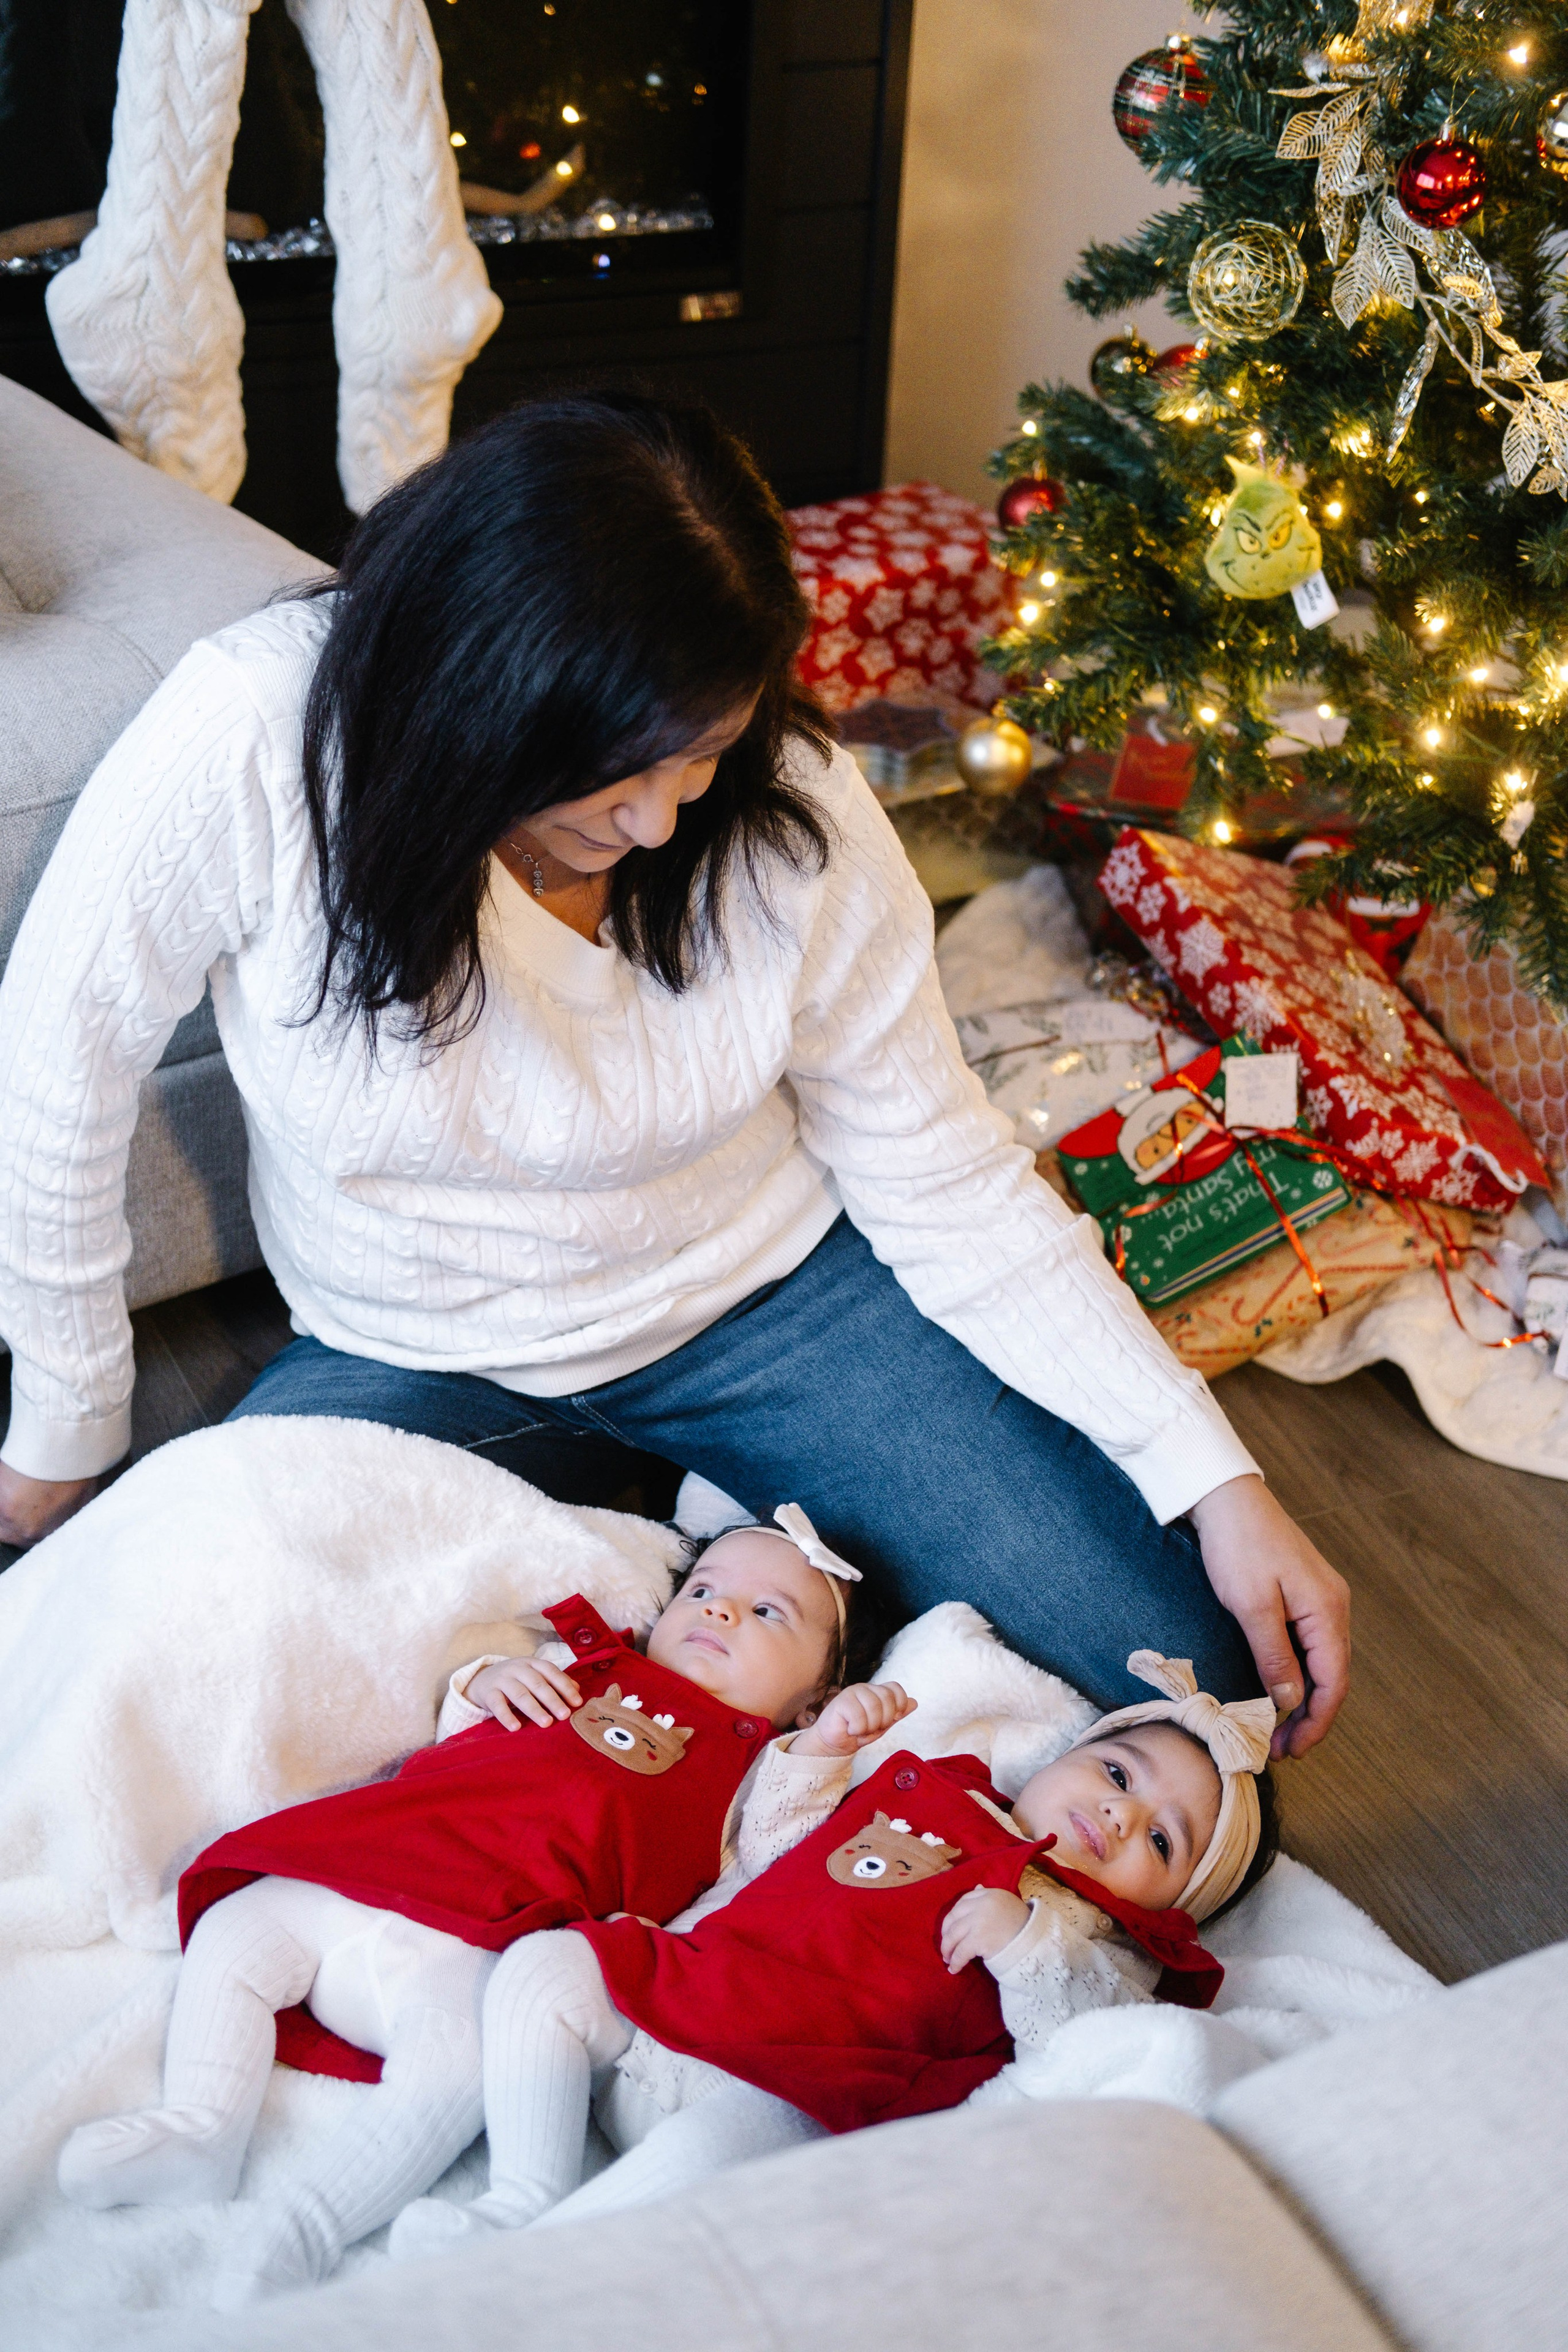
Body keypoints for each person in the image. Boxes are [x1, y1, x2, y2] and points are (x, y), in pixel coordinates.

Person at [0, 388, 1348, 1746]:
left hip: (769, 1305)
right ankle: (685, 1551)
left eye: (698, 754)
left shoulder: (795, 817)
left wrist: (1209, 1475)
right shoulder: (256, 734)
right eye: (606, 779)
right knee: (160, 1668)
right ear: (481, 694)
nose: (656, 820)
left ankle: (688, 1556)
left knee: (1196, 1689)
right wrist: (69, 1418)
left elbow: (943, 1175)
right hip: (420, 1348)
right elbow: (55, 1067)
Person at [57, 1507, 914, 2305]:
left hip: (486, 1950)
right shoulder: (586, 1666)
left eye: (769, 1614)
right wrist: (490, 1679)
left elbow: (775, 1857)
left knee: (460, 2072)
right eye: (704, 1590)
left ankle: (303, 2228)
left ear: (813, 1694)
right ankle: (200, 2124)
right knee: (240, 1930)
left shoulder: (758, 1765)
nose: (721, 1613)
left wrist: (829, 1745)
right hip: (377, 1865)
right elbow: (459, 1727)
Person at [388, 1649, 1276, 2249]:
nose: (1123, 1816)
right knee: (551, 1965)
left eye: (1164, 1844)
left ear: (1174, 1911)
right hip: (689, 1992)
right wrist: (821, 1752)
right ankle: (521, 2195)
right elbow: (769, 1846)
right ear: (1058, 1760)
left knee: (729, 2151)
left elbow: (1080, 2046)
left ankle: (548, 2261)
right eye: (1118, 1774)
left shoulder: (1102, 1943)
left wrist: (1027, 1942)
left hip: (797, 2085)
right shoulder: (931, 1792)